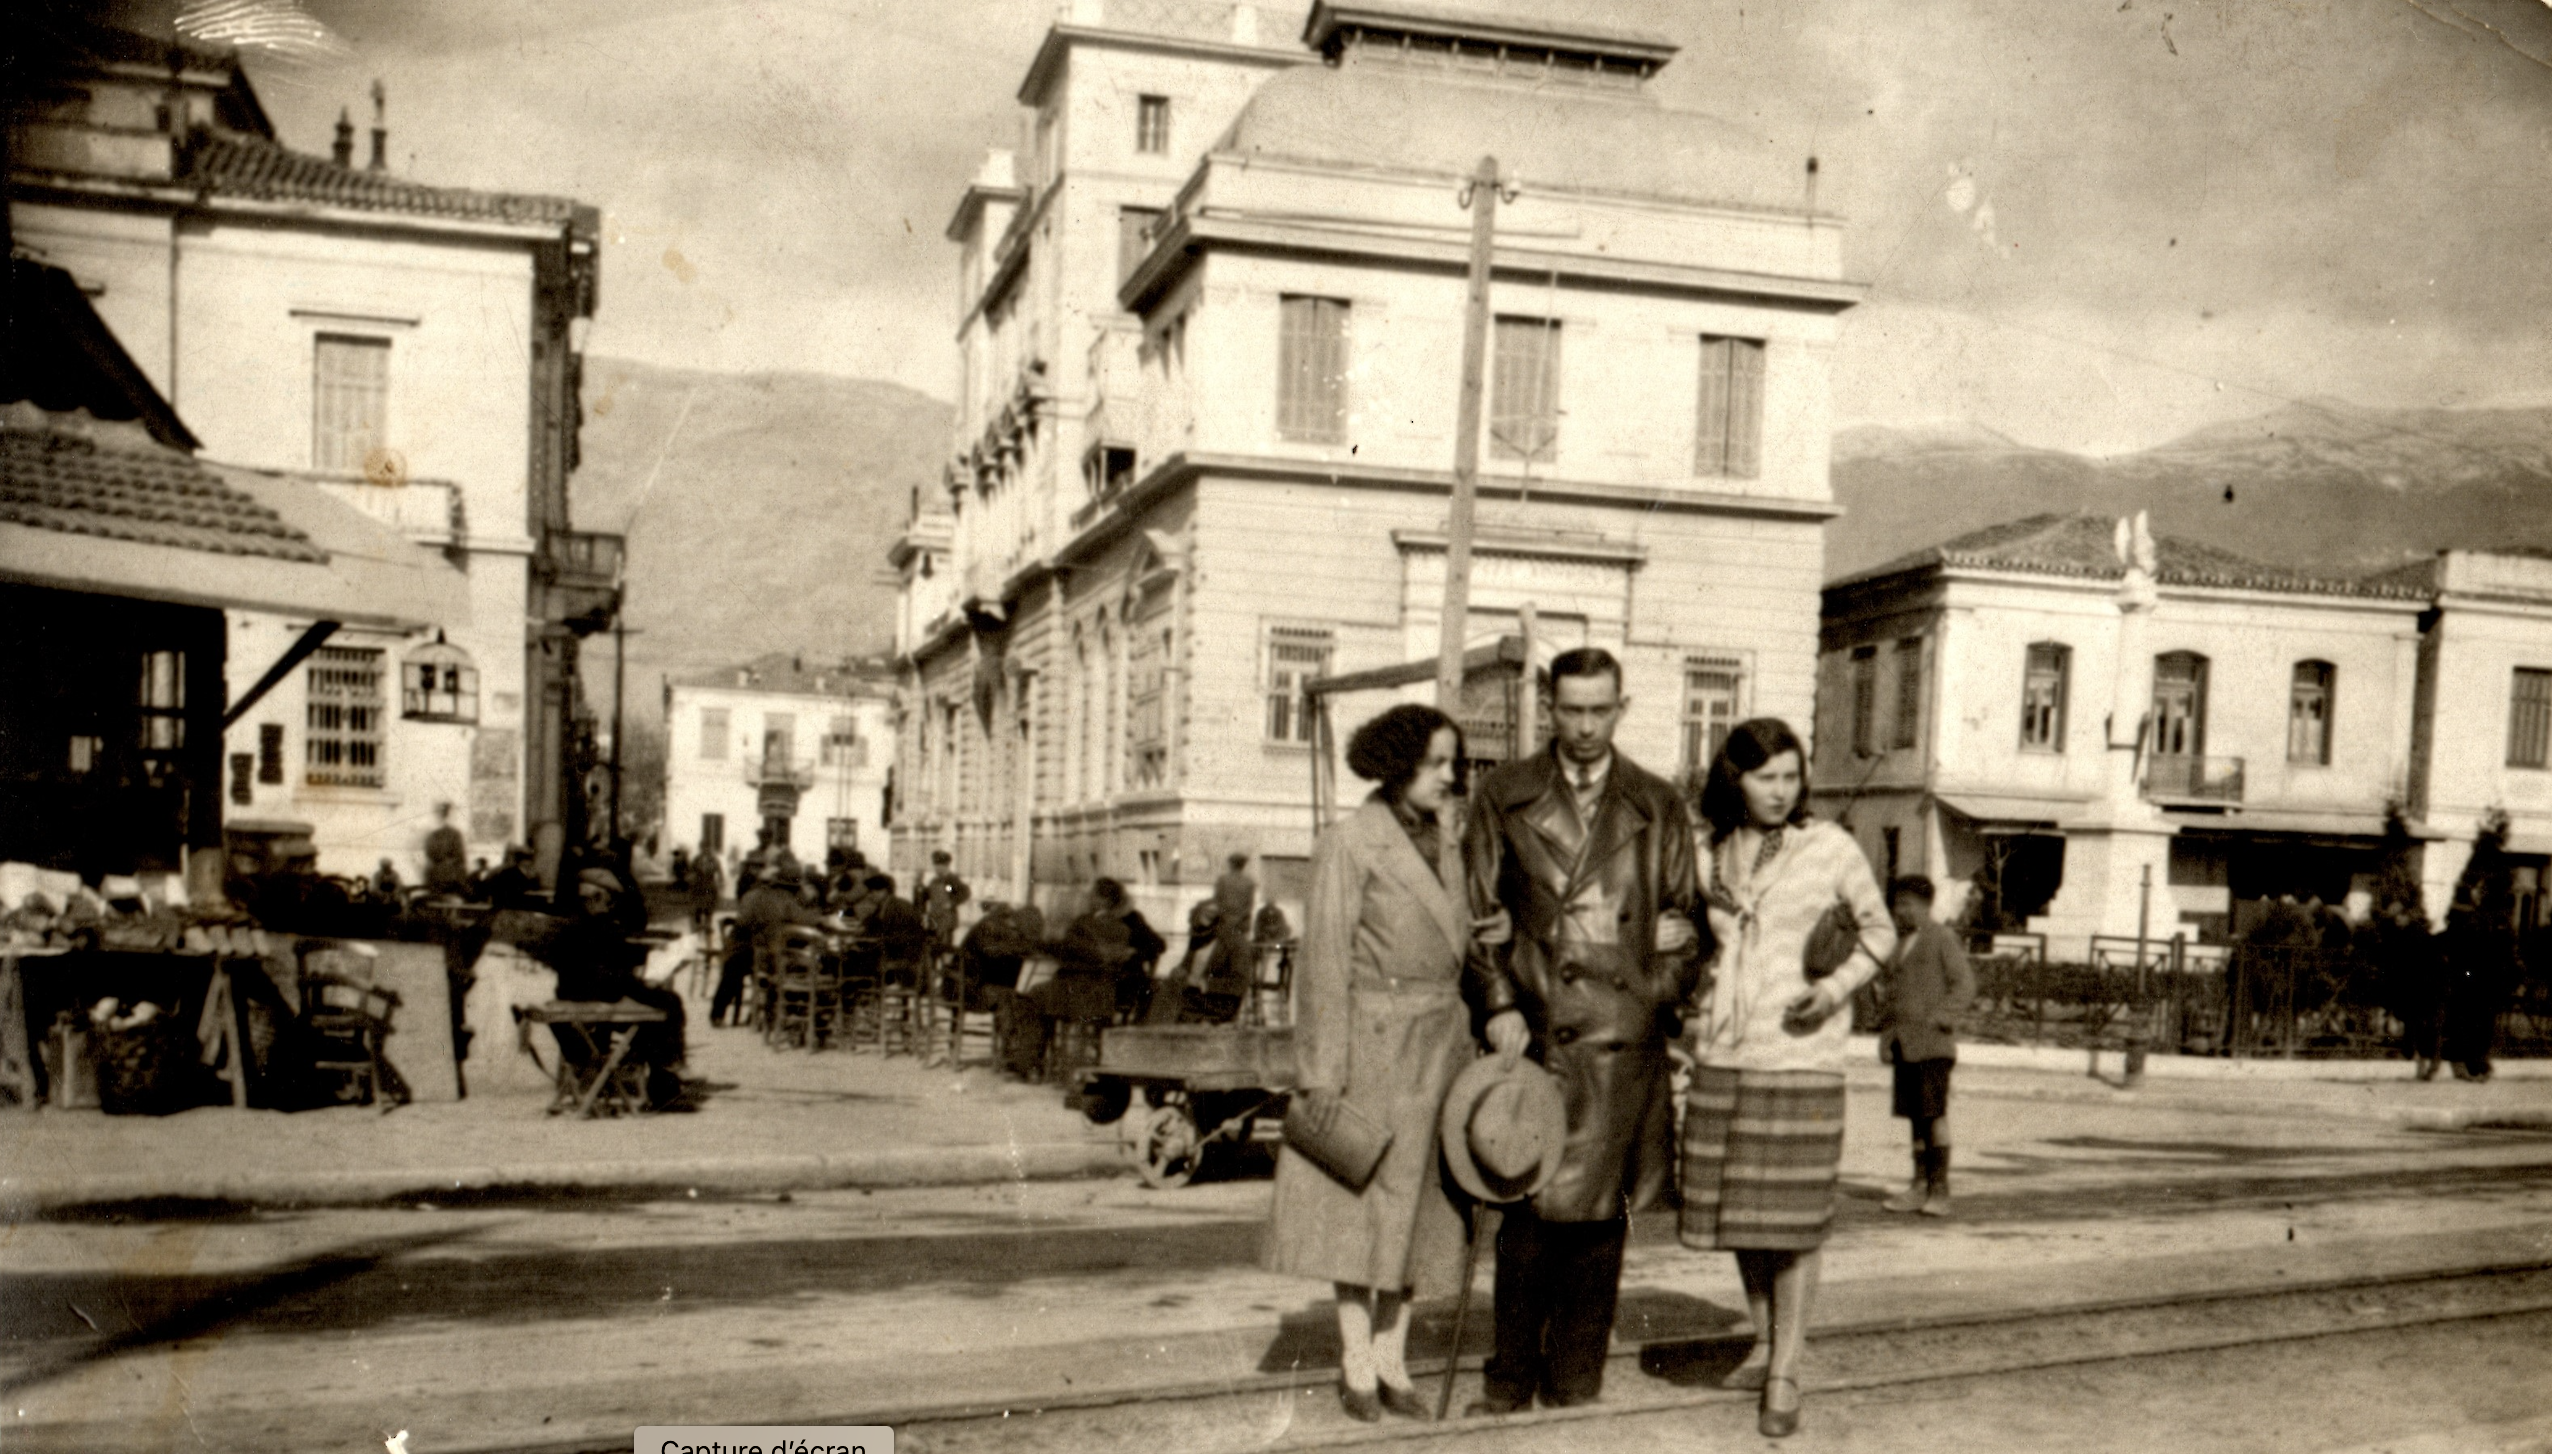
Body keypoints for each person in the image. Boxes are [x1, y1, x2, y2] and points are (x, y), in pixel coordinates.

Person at [1460, 646, 1703, 1416]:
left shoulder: (1657, 802)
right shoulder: (1503, 793)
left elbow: (1688, 923)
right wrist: (1498, 1001)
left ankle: (1573, 1377)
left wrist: (1652, 991)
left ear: (1621, 708)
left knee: (1600, 1221)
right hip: (1535, 1031)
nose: (1587, 726)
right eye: (1572, 710)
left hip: (1620, 1037)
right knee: (1524, 1213)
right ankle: (1508, 1377)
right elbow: (1477, 913)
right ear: (1549, 708)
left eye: (1601, 709)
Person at [1265, 703, 1507, 1422]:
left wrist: (1487, 929)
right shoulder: (1350, 841)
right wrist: (1321, 1073)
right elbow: (1325, 962)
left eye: (1453, 765)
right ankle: (1355, 1364)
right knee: (1358, 1207)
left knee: (1423, 1217)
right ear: (1399, 763)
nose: (1449, 777)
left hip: (1439, 1047)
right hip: (1371, 1047)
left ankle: (1394, 1359)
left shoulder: (1448, 841)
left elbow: (1449, 931)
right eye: (1436, 764)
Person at [1681, 717, 1894, 1439]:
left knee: (1794, 1223)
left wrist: (1833, 991)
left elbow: (1880, 932)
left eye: (1790, 776)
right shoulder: (1708, 851)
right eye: (1764, 777)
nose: (1780, 791)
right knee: (1744, 1216)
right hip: (1726, 1055)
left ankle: (1786, 1370)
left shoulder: (1829, 847)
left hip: (1801, 1057)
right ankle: (1764, 1337)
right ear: (1732, 780)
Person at [531, 866, 690, 1106]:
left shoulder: (570, 923)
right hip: (596, 1000)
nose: (611, 906)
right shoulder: (602, 926)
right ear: (596, 899)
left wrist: (639, 966)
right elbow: (613, 976)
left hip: (574, 995)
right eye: (609, 900)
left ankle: (659, 1076)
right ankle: (665, 1079)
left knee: (655, 1009)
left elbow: (607, 962)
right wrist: (646, 980)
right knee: (667, 1005)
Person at [1874, 875, 1974, 1217]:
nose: (1900, 911)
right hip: (1905, 1044)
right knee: (1914, 1118)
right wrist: (1887, 1035)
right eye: (1897, 904)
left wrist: (1940, 1019)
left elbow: (1964, 985)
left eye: (1907, 904)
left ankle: (1940, 1190)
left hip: (1932, 1045)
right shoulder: (1898, 943)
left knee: (1933, 1115)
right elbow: (1891, 993)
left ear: (1925, 905)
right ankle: (1918, 1186)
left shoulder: (1941, 937)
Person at [717, 860, 818, 1028]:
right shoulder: (787, 900)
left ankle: (723, 1014)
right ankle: (783, 1013)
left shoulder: (754, 896)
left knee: (735, 967)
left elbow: (742, 922)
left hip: (755, 950)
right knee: (802, 965)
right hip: (765, 953)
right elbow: (807, 920)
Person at [920, 851, 971, 956]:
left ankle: (944, 969)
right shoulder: (933, 881)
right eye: (936, 866)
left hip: (947, 920)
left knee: (945, 948)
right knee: (932, 947)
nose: (937, 869)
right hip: (934, 918)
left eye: (940, 866)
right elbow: (926, 896)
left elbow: (965, 892)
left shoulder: (952, 880)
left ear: (946, 866)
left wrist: (952, 903)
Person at [423, 802, 469, 897]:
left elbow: (459, 854)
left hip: (447, 876)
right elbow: (429, 853)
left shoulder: (453, 834)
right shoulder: (433, 834)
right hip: (441, 875)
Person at [687, 849, 726, 943]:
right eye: (704, 847)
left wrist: (721, 883)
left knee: (709, 911)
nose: (706, 850)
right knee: (698, 910)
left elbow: (720, 874)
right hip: (698, 887)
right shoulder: (697, 859)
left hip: (710, 887)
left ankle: (707, 930)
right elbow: (690, 871)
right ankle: (698, 934)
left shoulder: (714, 860)